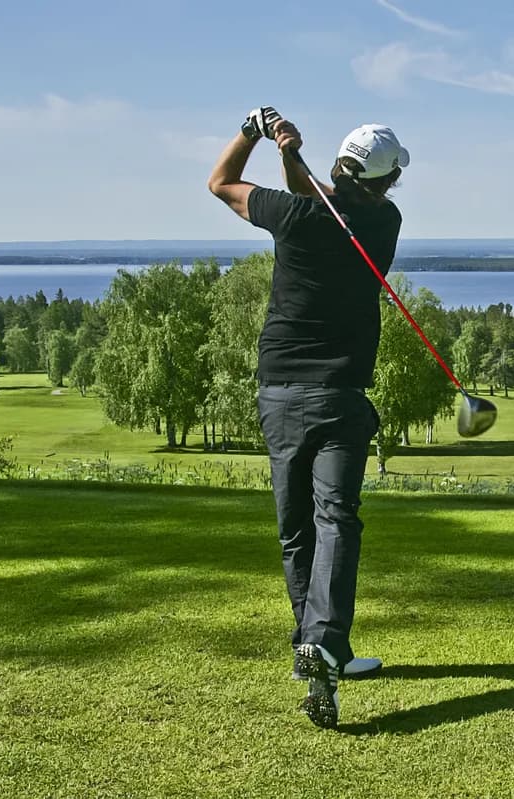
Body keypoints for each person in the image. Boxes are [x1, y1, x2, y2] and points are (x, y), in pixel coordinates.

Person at [208, 107, 409, 729]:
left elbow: (219, 182)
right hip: (341, 395)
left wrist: (254, 134)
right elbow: (337, 207)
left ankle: (315, 645)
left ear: (339, 165)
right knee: (336, 518)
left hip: (280, 393)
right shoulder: (384, 222)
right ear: (384, 182)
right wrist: (290, 159)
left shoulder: (294, 216)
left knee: (297, 527)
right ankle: (323, 643)